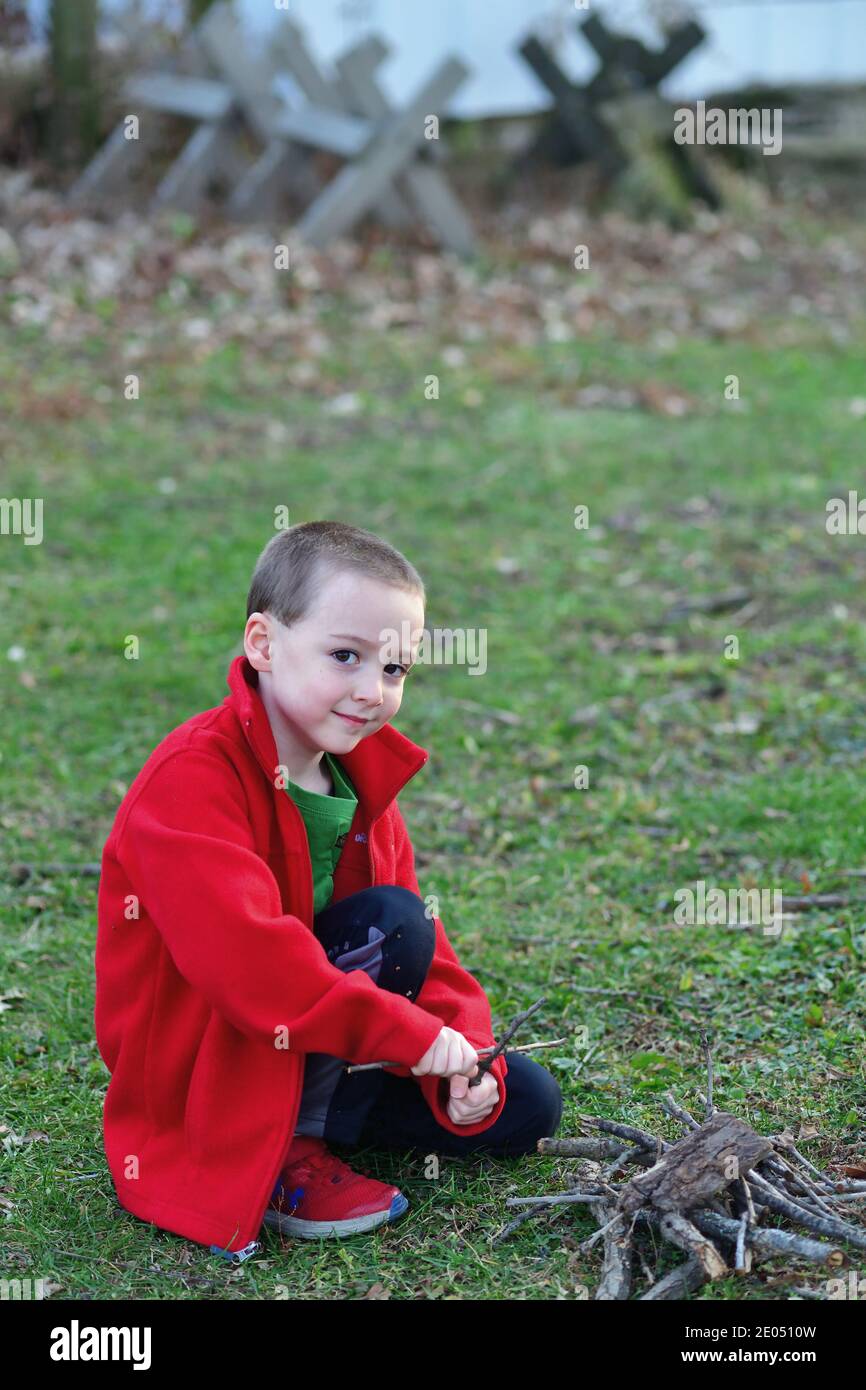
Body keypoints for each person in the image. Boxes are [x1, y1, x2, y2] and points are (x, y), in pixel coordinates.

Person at [94, 520, 563, 1258]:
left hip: (317, 1026)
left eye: (395, 670)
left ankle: (320, 1114)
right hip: (209, 1063)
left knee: (524, 1102)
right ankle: (282, 1152)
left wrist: (464, 1057)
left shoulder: (356, 777)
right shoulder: (190, 780)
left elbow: (428, 958)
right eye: (345, 656)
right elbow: (253, 970)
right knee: (393, 922)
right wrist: (409, 1037)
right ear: (263, 644)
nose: (371, 691)